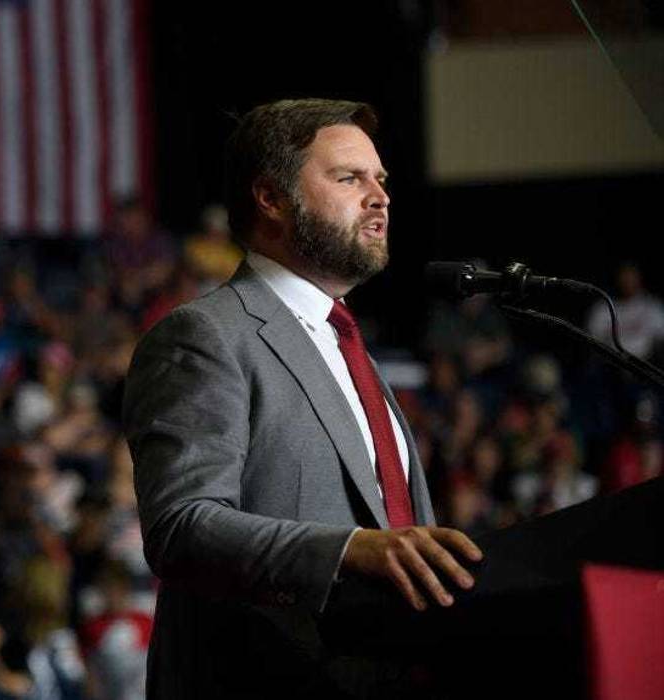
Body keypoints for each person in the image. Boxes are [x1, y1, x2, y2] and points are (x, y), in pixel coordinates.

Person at [123, 99, 483, 698]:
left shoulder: (353, 351)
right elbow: (181, 528)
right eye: (349, 178)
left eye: (381, 180)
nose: (380, 197)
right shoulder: (207, 334)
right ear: (272, 198)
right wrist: (350, 551)